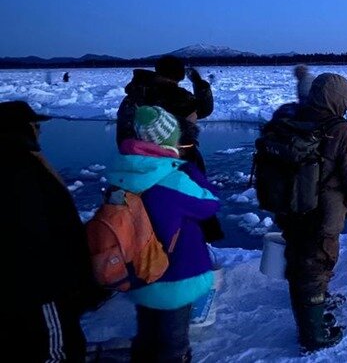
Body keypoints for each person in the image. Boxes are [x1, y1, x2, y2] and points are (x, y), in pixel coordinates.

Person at [106, 106, 221, 362]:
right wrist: (190, 171)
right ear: (168, 140)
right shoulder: (174, 179)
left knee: (147, 334)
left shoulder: (122, 173)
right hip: (174, 274)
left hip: (138, 270)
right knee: (172, 343)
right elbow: (210, 203)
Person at [275, 73, 347, 353]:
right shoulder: (341, 130)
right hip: (322, 213)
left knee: (298, 259)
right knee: (316, 265)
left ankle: (315, 307)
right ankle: (314, 334)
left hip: (289, 208)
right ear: (341, 99)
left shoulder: (291, 120)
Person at [3, 101, 102, 362]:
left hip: (36, 284)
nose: (40, 131)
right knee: (58, 350)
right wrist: (63, 281)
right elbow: (32, 233)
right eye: (35, 125)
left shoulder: (20, 162)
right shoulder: (19, 169)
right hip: (41, 287)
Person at [116, 55, 223, 243]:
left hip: (137, 167)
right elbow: (204, 109)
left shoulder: (132, 97)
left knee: (147, 218)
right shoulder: (180, 97)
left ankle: (149, 256)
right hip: (179, 163)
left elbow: (123, 137)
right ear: (179, 75)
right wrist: (199, 84)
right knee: (188, 211)